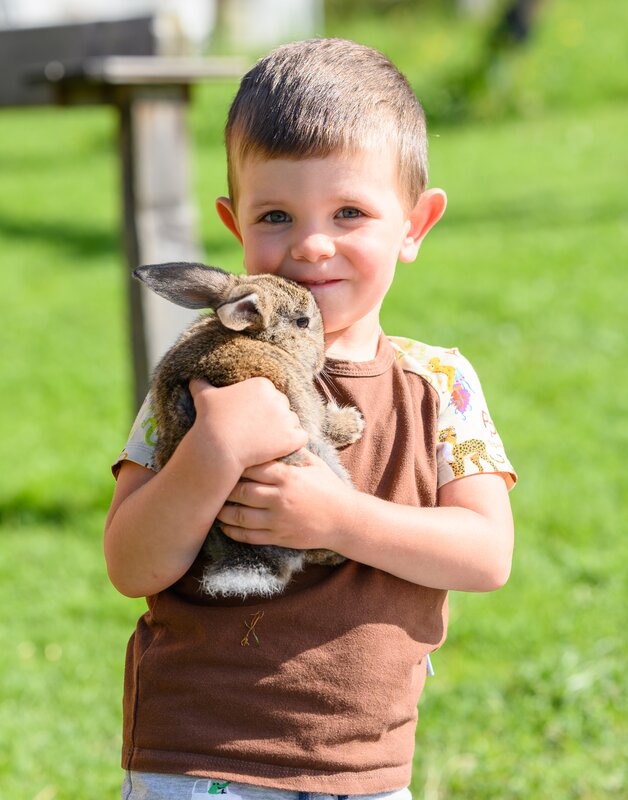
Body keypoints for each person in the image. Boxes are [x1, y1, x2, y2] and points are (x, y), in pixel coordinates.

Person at [104, 38, 516, 800]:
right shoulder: (204, 373)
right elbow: (132, 564)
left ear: (415, 225)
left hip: (362, 765)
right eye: (276, 214)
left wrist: (337, 518)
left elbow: (486, 553)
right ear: (234, 226)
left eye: (351, 212)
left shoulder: (439, 382)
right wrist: (212, 450)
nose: (312, 244)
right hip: (196, 756)